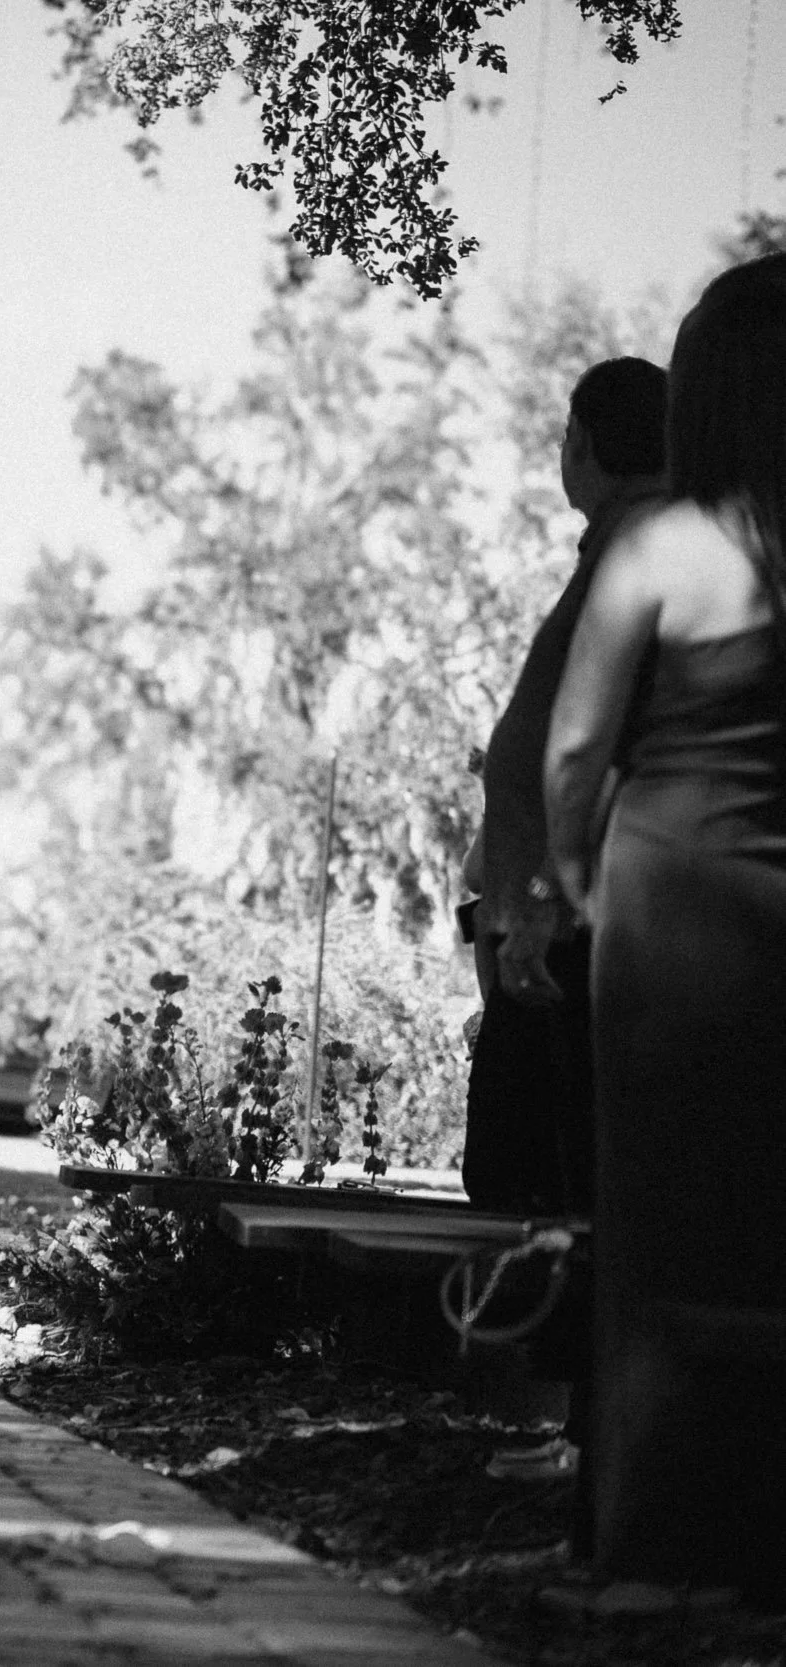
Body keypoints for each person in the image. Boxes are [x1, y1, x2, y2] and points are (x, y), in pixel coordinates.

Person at [544, 253, 786, 1598]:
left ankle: (650, 1546)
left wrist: (569, 889)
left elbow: (576, 754)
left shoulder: (663, 544)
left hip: (673, 899)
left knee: (656, 1219)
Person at [464, 358, 666, 1219]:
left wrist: (546, 895)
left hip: (570, 925)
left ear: (582, 441)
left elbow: (604, 740)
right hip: (547, 911)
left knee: (533, 1178)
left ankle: (555, 1349)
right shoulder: (623, 545)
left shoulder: (646, 547)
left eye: (563, 437)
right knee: (522, 1170)